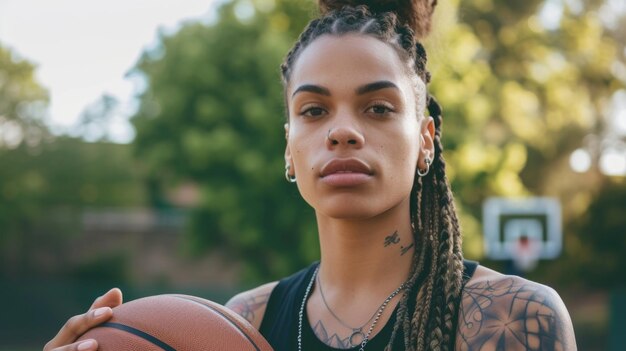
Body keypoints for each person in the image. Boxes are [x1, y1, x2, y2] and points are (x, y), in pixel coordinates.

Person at [44, 1, 577, 350]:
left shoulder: (511, 318)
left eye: (379, 108)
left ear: (426, 140)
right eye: (314, 111)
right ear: (289, 147)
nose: (342, 132)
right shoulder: (242, 324)